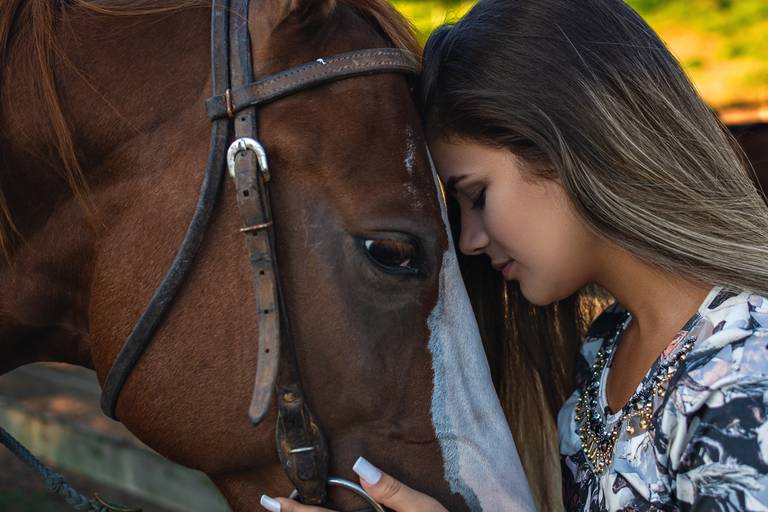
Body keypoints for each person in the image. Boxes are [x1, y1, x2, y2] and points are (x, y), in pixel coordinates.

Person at [260, 0, 768, 510]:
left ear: (571, 145)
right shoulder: (606, 348)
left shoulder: (747, 373)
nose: (469, 242)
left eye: (477, 195)